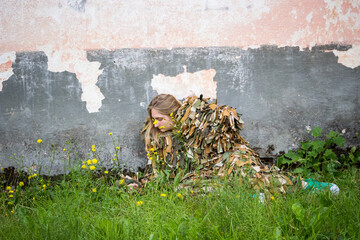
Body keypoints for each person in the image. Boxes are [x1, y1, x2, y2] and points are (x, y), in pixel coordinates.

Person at [140, 94, 339, 195]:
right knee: (203, 189)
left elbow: (224, 124)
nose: (156, 124)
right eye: (153, 120)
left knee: (253, 175)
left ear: (172, 113)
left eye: (159, 118)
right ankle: (254, 198)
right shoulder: (163, 138)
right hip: (209, 171)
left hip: (230, 155)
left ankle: (309, 186)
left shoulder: (195, 118)